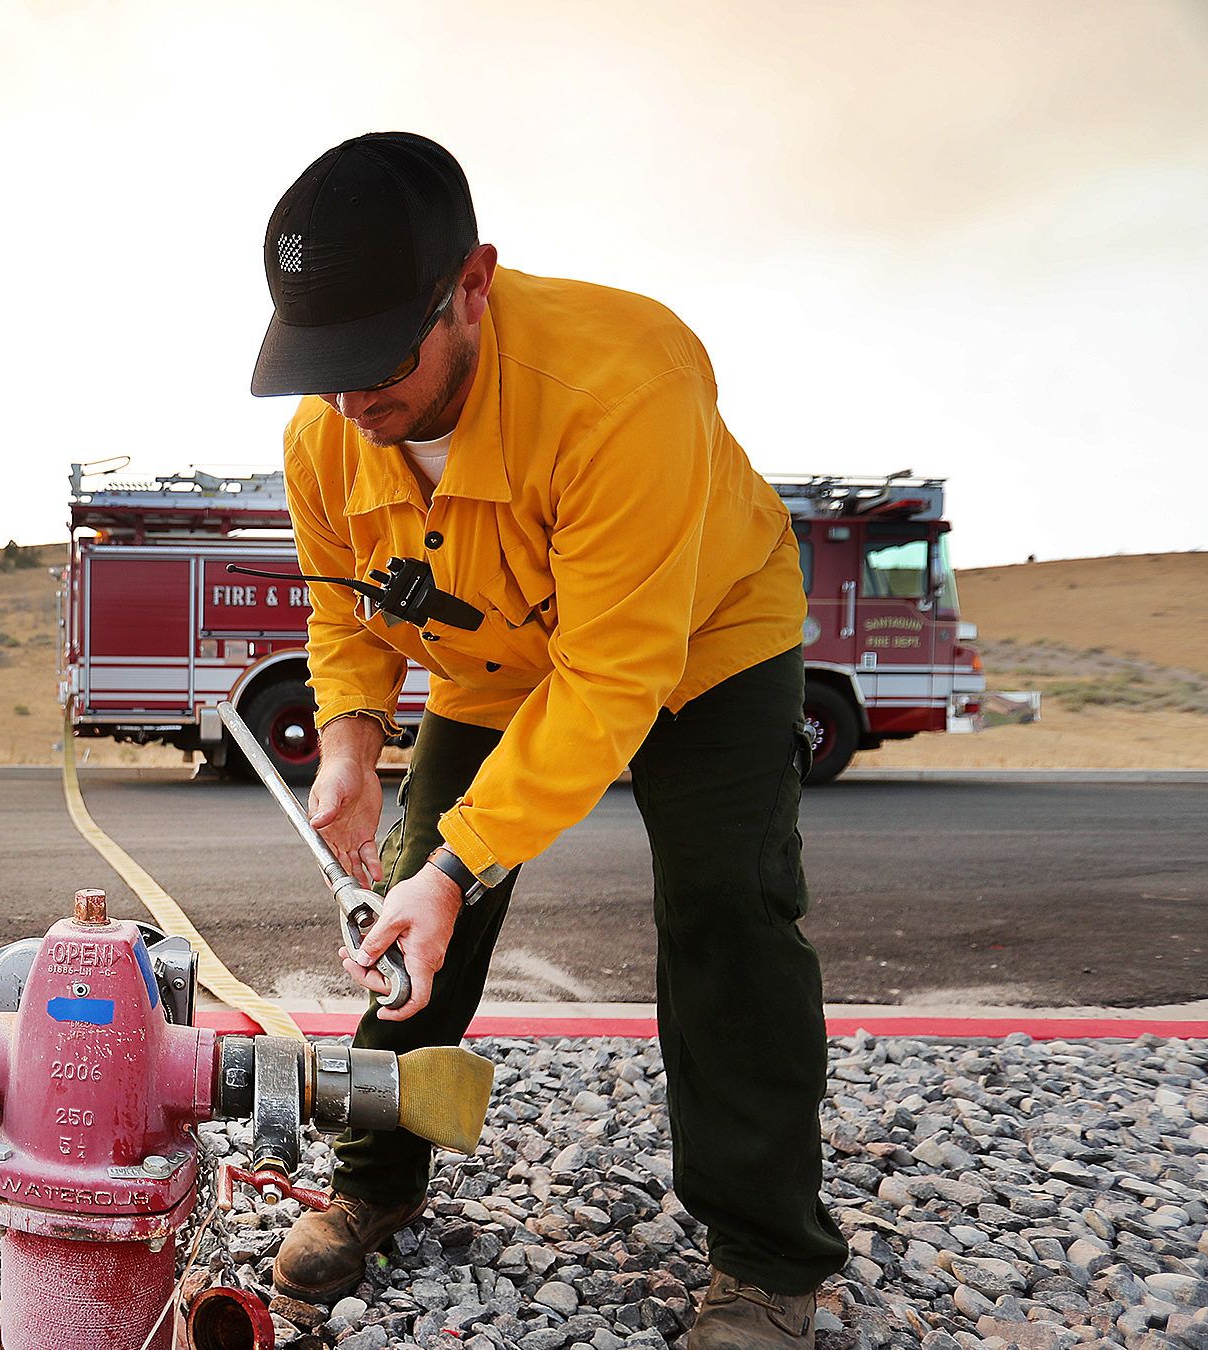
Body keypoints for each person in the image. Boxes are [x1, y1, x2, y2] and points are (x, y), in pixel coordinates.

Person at [248, 133, 848, 1350]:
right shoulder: (330, 432)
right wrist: (353, 746)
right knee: (413, 927)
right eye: (325, 370)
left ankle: (767, 1258)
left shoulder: (626, 380)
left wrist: (462, 859)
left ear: (472, 284)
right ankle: (376, 1174)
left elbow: (613, 673)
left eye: (376, 361)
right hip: (495, 660)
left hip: (702, 643)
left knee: (728, 904)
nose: (355, 403)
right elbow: (346, 601)